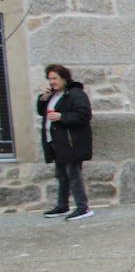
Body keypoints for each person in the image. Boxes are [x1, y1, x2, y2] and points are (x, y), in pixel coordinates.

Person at [36, 64, 94, 221]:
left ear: (64, 78)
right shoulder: (54, 94)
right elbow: (43, 112)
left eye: (55, 78)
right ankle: (62, 206)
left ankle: (83, 207)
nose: (52, 82)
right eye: (50, 79)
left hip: (71, 142)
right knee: (61, 175)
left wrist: (62, 117)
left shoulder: (75, 94)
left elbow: (84, 115)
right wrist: (43, 99)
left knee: (73, 174)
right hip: (56, 141)